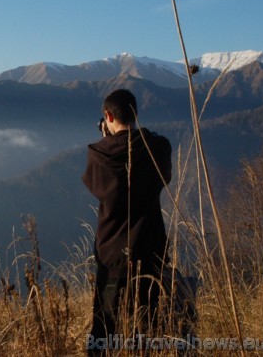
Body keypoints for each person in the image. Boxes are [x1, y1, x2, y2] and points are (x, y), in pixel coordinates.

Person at [82, 89, 172, 355]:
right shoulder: (158, 147)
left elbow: (98, 188)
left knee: (103, 327)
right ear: (136, 114)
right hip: (150, 251)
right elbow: (163, 175)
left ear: (108, 116)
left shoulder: (98, 154)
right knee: (146, 326)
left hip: (111, 257)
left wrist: (107, 140)